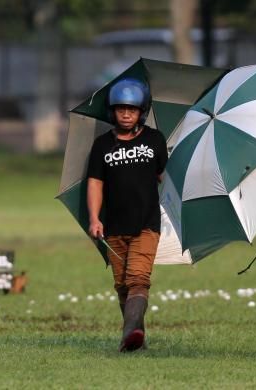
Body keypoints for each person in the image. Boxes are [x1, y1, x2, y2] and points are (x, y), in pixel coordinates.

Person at [86, 77, 167, 352]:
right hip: (113, 226)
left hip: (146, 224)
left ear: (141, 111)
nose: (126, 113)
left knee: (138, 280)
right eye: (121, 108)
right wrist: (94, 219)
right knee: (122, 285)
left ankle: (129, 334)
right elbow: (95, 182)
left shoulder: (155, 139)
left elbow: (163, 176)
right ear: (112, 111)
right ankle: (136, 338)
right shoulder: (101, 145)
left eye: (132, 109)